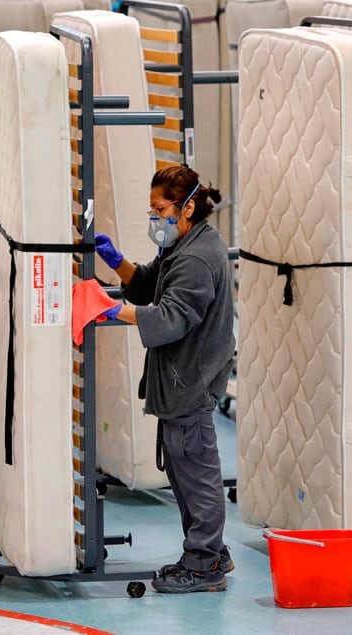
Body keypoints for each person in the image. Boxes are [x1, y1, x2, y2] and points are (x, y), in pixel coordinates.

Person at [94, 165, 236, 594]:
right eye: (152, 210)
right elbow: (150, 286)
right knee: (184, 471)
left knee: (196, 474)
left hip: (191, 379)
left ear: (186, 207)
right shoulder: (185, 245)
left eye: (160, 209)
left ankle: (204, 564)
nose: (155, 217)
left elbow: (171, 317)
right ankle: (210, 554)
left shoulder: (196, 258)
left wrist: (110, 309)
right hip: (182, 379)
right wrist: (116, 262)